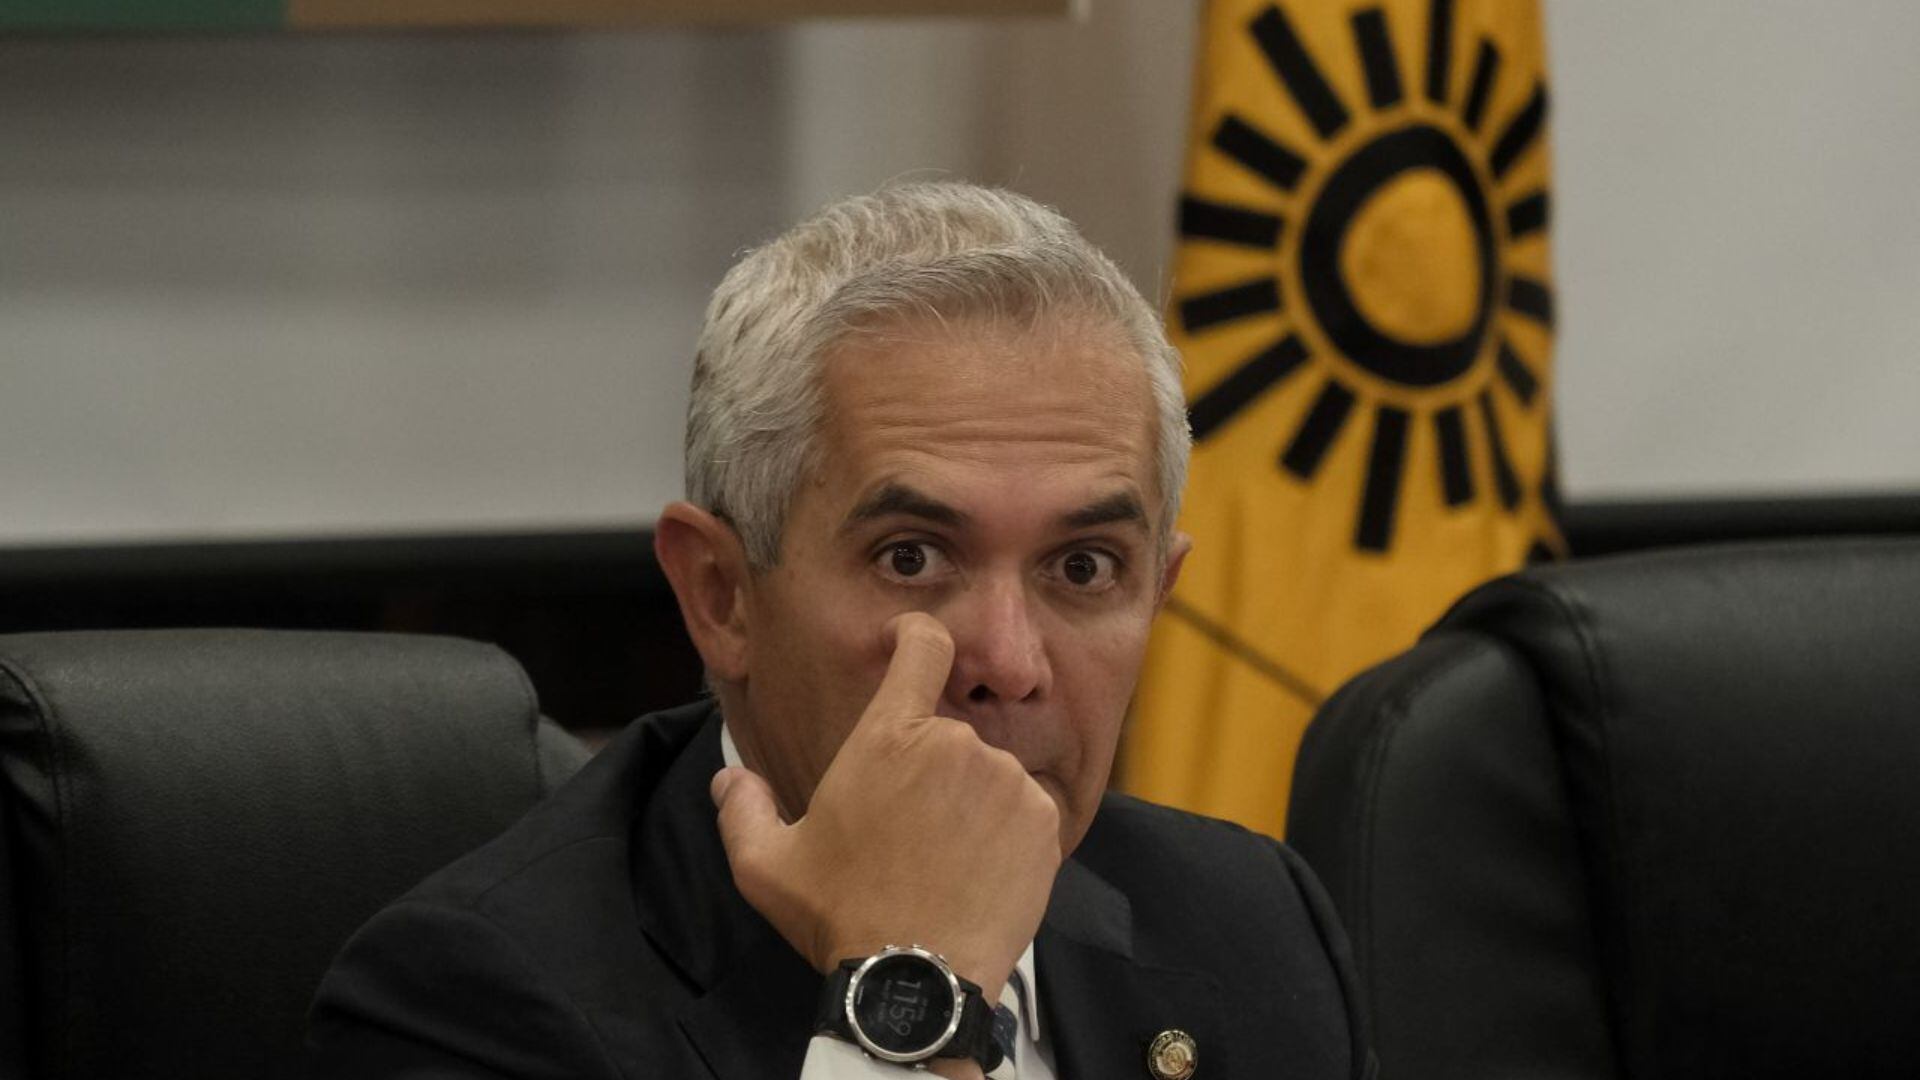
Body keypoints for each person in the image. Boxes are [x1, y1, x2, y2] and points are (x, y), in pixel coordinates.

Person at [308, 183, 1373, 1080]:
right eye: (912, 558)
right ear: (723, 596)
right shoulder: (472, 1007)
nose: (1007, 662)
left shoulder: (1250, 927)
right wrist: (910, 996)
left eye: (1084, 568)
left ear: (1160, 593)